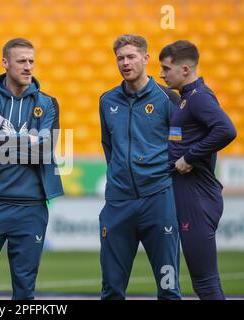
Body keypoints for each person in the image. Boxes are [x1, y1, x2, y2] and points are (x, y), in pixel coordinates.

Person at [0, 38, 64, 300]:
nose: (28, 67)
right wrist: (29, 140)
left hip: (31, 208)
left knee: (25, 289)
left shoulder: (48, 104)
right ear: (5, 63)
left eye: (31, 61)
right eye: (21, 61)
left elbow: (45, 151)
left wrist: (2, 140)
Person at [98, 34, 182, 300]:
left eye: (131, 56)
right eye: (120, 58)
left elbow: (180, 146)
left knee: (169, 289)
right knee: (111, 289)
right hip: (118, 202)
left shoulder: (168, 99)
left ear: (146, 58)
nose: (125, 62)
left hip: (158, 199)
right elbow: (108, 146)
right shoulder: (107, 101)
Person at [159, 40, 236, 300]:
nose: (162, 74)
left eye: (166, 68)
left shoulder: (199, 97)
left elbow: (227, 130)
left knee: (205, 281)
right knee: (202, 280)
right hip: (190, 193)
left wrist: (189, 157)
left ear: (184, 69)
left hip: (197, 196)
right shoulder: (187, 98)